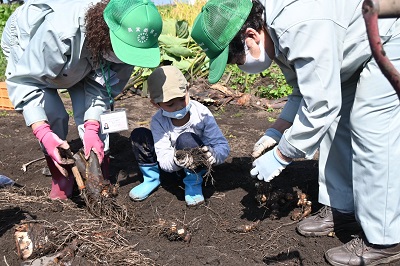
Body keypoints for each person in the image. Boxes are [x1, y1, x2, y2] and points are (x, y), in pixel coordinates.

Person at [191, 0, 400, 265]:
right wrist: (276, 130)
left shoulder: (297, 25)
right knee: (335, 124)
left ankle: (385, 239)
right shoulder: (273, 32)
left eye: (237, 59)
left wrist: (281, 155)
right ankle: (341, 208)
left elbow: (321, 104)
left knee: (370, 125)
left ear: (251, 35)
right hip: (354, 45)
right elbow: (304, 90)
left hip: (388, 36)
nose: (240, 66)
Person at [1, 0, 163, 200]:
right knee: (53, 114)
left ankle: (98, 177)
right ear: (104, 32)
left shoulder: (131, 43)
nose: (126, 61)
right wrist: (42, 132)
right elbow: (26, 81)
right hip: (31, 45)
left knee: (96, 122)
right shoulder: (59, 31)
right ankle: (60, 176)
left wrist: (93, 126)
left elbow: (103, 87)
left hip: (86, 56)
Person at [130, 65, 230, 206]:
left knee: (186, 138)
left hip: (196, 166)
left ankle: (193, 181)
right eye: (170, 104)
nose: (178, 107)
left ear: (187, 90)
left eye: (182, 99)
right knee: (139, 136)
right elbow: (163, 156)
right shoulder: (158, 121)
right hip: (172, 164)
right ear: (155, 104)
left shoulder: (201, 113)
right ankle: (151, 179)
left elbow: (223, 146)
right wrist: (177, 161)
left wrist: (213, 155)